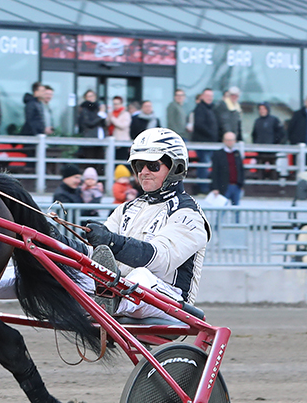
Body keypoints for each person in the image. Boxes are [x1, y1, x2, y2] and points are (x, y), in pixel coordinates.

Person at [84, 128, 211, 319]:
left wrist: (111, 241)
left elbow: (160, 261)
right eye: (138, 165)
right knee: (74, 269)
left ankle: (102, 304)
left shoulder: (189, 214)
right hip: (123, 287)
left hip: (172, 303)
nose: (143, 172)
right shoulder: (127, 208)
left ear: (175, 167)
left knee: (141, 276)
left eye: (152, 165)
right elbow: (93, 254)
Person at [191, 89, 219, 192]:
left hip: (211, 143)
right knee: (204, 165)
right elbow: (199, 125)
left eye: (211, 96)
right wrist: (212, 135)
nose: (209, 98)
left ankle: (206, 187)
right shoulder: (200, 109)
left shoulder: (211, 109)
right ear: (202, 96)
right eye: (207, 95)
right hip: (203, 143)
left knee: (208, 165)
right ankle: (202, 188)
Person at [209, 132, 244, 205]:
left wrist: (241, 184)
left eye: (231, 140)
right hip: (223, 186)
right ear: (224, 141)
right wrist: (215, 187)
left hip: (236, 186)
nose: (230, 142)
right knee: (221, 208)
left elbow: (241, 170)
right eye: (228, 140)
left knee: (236, 209)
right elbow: (215, 172)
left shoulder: (237, 153)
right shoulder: (218, 154)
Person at [251, 102, 285, 179]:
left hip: (271, 151)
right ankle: (259, 184)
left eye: (264, 109)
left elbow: (281, 133)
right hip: (260, 151)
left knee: (273, 169)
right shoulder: (257, 121)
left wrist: (275, 143)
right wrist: (256, 144)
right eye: (260, 109)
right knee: (260, 168)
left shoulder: (274, 120)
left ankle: (274, 184)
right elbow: (254, 134)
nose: (262, 111)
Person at [76, 90, 107, 159]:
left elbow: (103, 124)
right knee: (91, 158)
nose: (91, 98)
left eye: (92, 96)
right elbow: (89, 123)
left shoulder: (98, 108)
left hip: (100, 138)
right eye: (89, 96)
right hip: (90, 138)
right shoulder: (84, 109)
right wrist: (100, 115)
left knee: (100, 159)